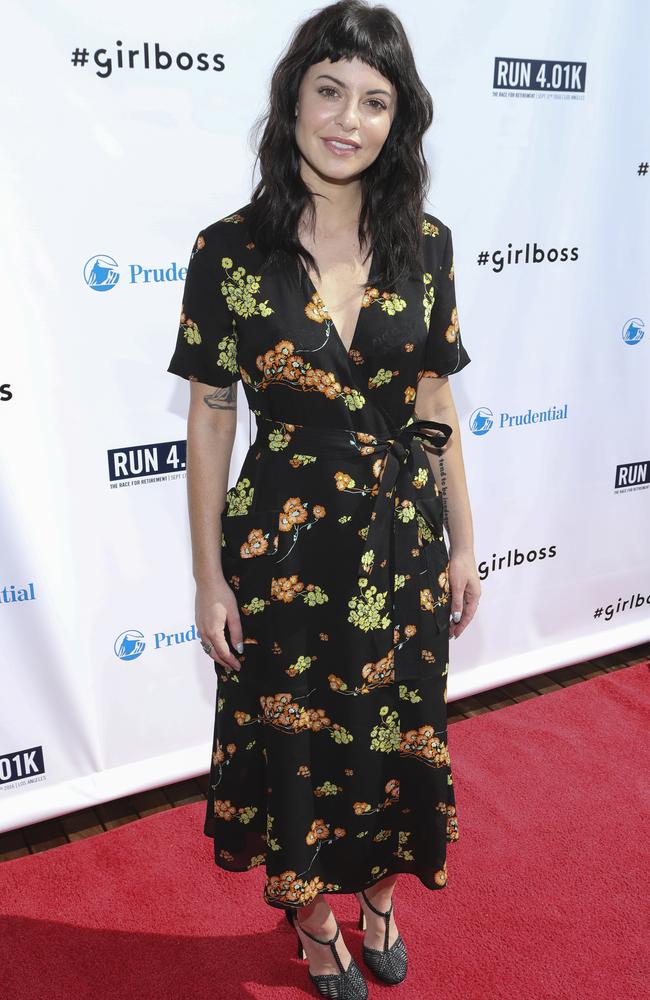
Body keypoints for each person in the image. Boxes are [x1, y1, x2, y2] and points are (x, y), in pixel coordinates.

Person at [167, 1, 480, 995]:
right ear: (293, 100)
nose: (347, 118)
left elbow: (434, 402)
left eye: (375, 100)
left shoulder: (424, 245)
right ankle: (312, 923)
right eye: (330, 91)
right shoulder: (227, 252)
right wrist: (209, 575)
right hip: (284, 557)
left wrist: (463, 544)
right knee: (293, 743)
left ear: (399, 121)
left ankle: (379, 896)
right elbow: (212, 414)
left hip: (399, 547)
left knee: (399, 731)